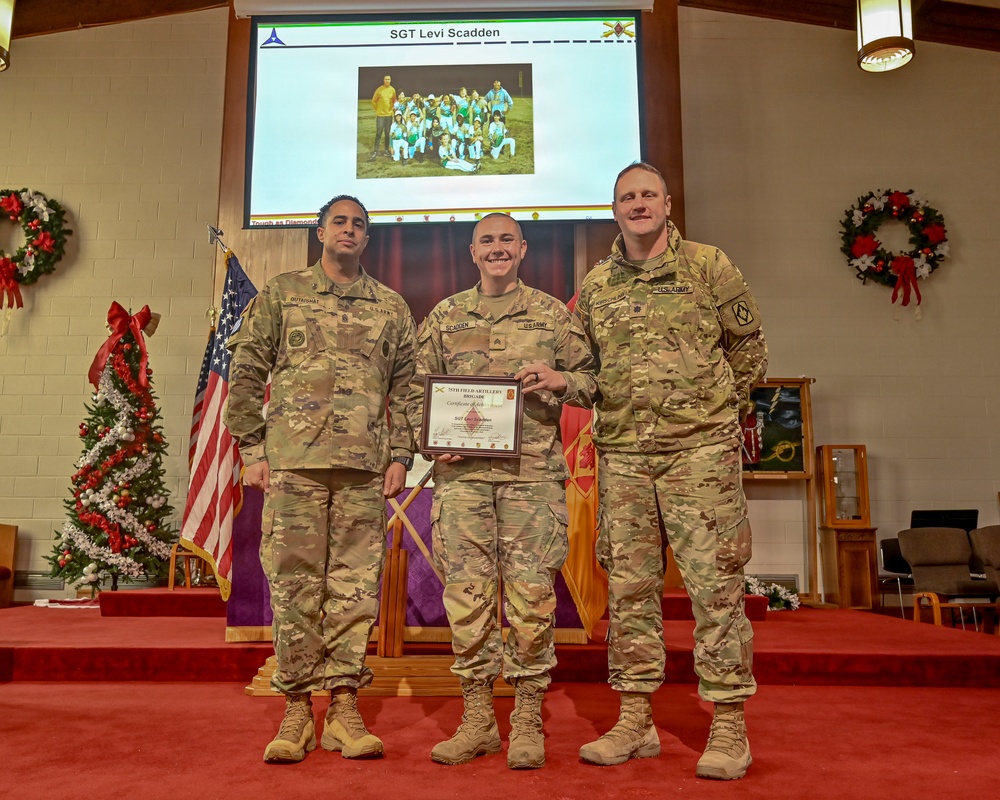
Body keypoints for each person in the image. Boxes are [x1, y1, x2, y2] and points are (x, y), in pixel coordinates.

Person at [573, 162, 767, 780]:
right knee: (629, 590)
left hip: (699, 456)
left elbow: (750, 349)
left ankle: (729, 724)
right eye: (627, 196)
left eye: (647, 194)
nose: (638, 204)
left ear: (666, 202)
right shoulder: (597, 283)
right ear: (614, 209)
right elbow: (583, 369)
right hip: (625, 457)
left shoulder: (709, 266)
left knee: (715, 585)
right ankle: (635, 719)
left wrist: (712, 416)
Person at [225, 195, 417, 764]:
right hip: (293, 464)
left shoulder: (391, 306)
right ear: (320, 233)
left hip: (362, 469)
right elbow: (247, 370)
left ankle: (343, 709)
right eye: (340, 222)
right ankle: (295, 710)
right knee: (293, 586)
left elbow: (405, 387)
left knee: (355, 591)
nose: (350, 231)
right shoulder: (281, 294)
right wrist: (251, 447)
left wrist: (402, 454)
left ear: (367, 238)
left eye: (359, 224)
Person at [408, 213, 597, 770]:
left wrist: (562, 380)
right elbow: (416, 389)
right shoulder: (444, 316)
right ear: (472, 252)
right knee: (466, 601)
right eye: (486, 240)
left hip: (531, 481)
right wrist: (428, 442)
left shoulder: (551, 317)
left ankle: (528, 717)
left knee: (532, 601)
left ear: (522, 248)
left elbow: (592, 382)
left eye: (506, 240)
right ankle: (477, 719)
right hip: (462, 483)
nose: (497, 249)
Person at [370, 74, 397, 160]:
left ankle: (386, 150)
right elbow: (373, 101)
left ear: (390, 80)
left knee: (387, 134)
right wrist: (378, 109)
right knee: (379, 133)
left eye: (389, 79)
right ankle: (375, 151)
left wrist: (392, 109)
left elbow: (394, 100)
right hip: (380, 116)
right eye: (386, 79)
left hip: (389, 116)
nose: (387, 81)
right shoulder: (379, 89)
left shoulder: (392, 90)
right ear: (383, 80)